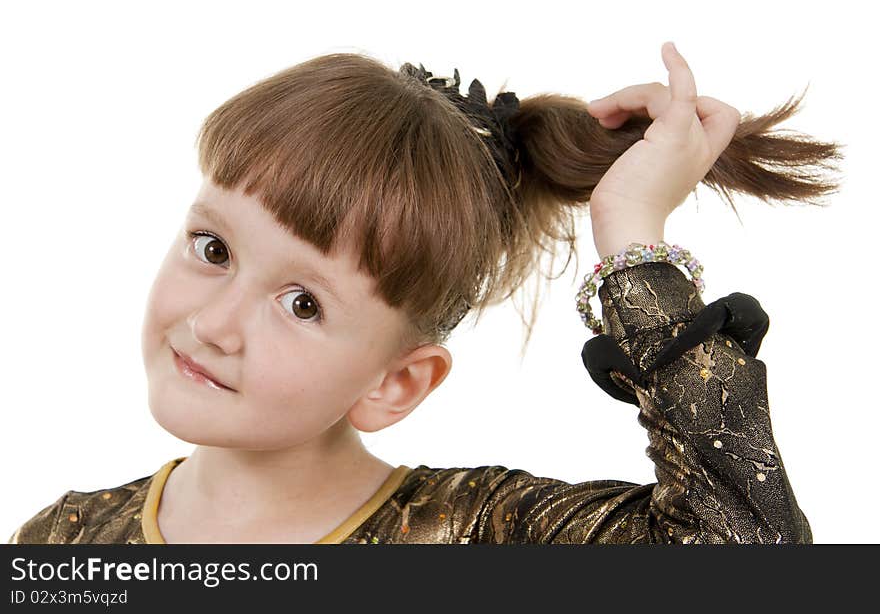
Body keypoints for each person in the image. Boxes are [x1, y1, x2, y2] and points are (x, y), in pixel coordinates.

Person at [9, 43, 840, 544]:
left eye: (304, 303)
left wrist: (631, 233)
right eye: (214, 247)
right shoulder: (64, 542)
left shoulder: (479, 534)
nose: (214, 323)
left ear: (396, 382)